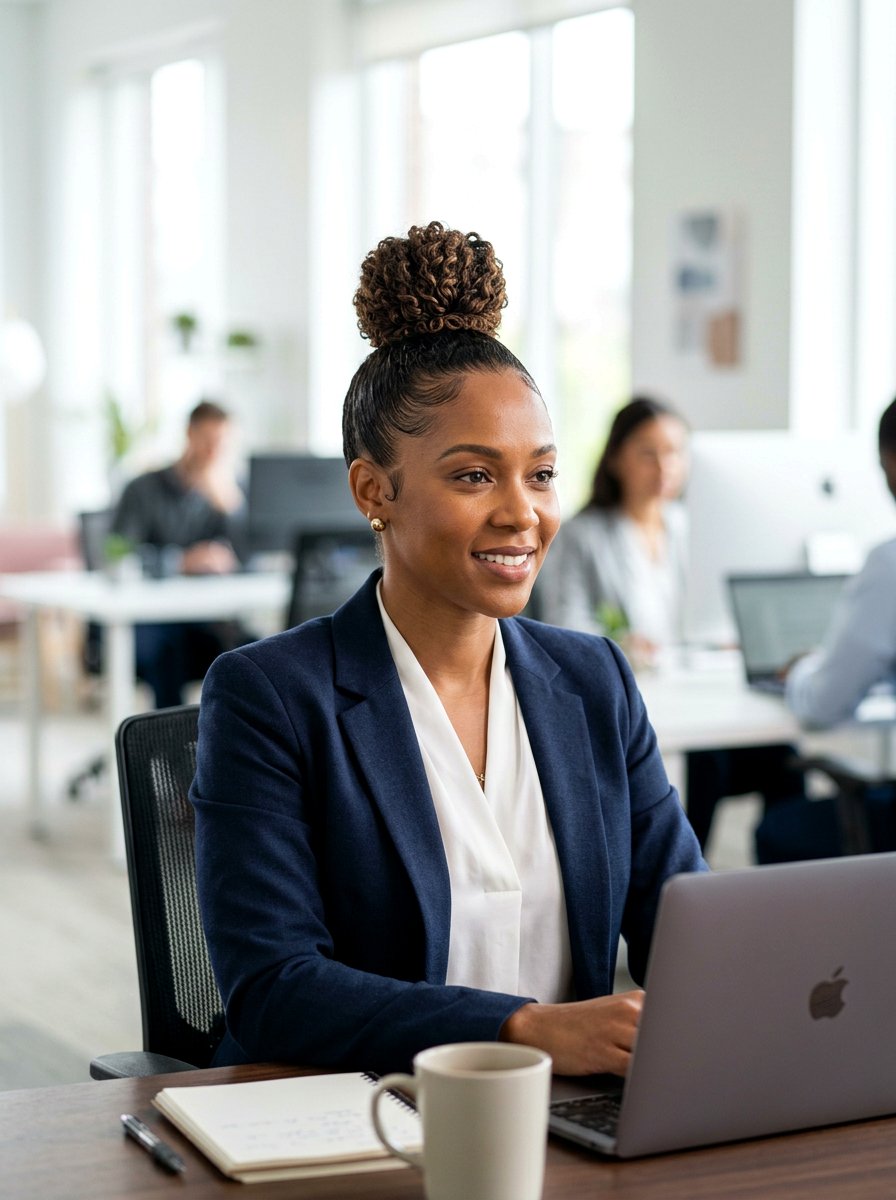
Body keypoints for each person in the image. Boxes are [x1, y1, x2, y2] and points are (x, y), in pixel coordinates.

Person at [189, 221, 705, 1080]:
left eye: (540, 474)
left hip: (562, 1125)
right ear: (373, 492)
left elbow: (688, 930)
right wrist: (527, 1031)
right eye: (474, 475)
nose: (522, 513)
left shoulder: (593, 681)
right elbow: (275, 989)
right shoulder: (269, 695)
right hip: (352, 1119)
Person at [537, 398, 804, 851]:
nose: (665, 466)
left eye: (675, 452)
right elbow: (565, 626)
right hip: (643, 702)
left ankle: (782, 891)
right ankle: (684, 883)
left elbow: (709, 615)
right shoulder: (585, 534)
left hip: (696, 693)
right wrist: (622, 643)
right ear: (617, 456)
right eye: (648, 452)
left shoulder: (690, 527)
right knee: (707, 765)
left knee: (784, 761)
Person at [111, 399, 247, 708]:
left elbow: (249, 559)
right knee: (167, 652)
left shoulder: (226, 491)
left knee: (254, 647)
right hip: (149, 619)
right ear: (189, 435)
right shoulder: (142, 489)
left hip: (207, 617)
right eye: (207, 442)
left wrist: (231, 509)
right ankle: (167, 751)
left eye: (221, 445)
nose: (213, 453)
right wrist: (180, 561)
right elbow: (118, 555)